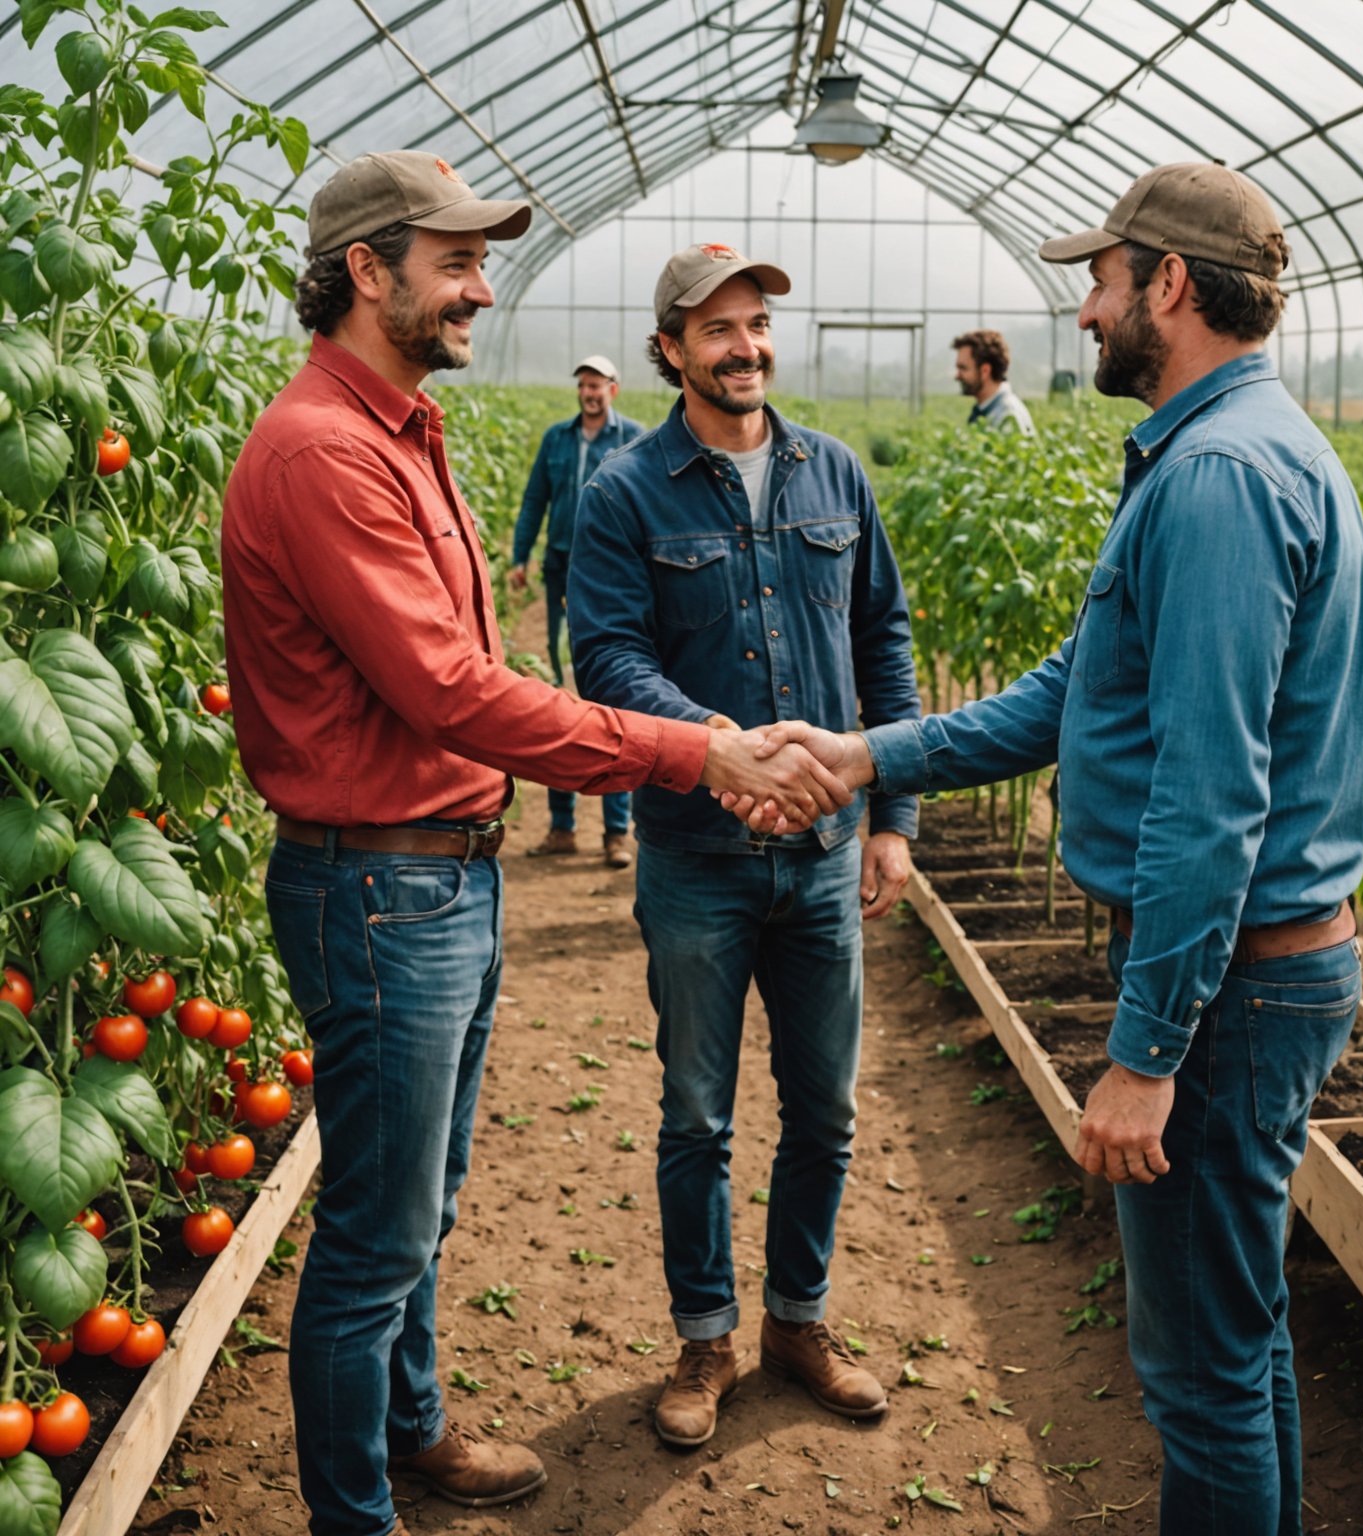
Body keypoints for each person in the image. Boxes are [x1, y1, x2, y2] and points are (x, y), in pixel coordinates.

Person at [732, 164, 1363, 1536]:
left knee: (1200, 1374)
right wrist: (866, 754)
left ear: (1173, 286)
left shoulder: (1217, 479)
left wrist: (1145, 1058)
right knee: (1237, 1342)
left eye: (1102, 278)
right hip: (1264, 972)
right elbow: (1075, 690)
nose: (1083, 309)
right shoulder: (1229, 452)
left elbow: (1212, 804)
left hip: (1238, 986)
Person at [220, 159, 852, 1536]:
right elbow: (454, 690)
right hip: (381, 882)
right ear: (369, 272)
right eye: (457, 261)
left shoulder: (397, 428)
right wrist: (699, 752)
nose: (483, 284)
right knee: (374, 1241)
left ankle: (417, 1428)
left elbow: (466, 670)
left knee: (422, 1202)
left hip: (436, 870)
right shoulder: (329, 449)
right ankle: (357, 1513)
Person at [566, 243, 920, 1447]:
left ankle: (798, 1319)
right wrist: (720, 749)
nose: (744, 346)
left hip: (822, 853)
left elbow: (886, 645)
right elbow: (606, 657)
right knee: (697, 1115)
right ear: (670, 350)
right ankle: (706, 1339)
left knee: (824, 1108)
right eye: (715, 328)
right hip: (696, 854)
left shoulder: (836, 477)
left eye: (756, 322)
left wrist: (894, 821)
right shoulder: (624, 491)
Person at [511, 356, 644, 866]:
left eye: (597, 385)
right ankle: (562, 827)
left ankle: (616, 832)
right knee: (557, 696)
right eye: (584, 385)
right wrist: (521, 555)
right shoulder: (557, 440)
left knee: (610, 695)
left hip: (612, 574)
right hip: (560, 568)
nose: (590, 393)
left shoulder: (633, 438)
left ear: (614, 388)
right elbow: (533, 500)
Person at [953, 328, 1034, 434]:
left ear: (985, 371)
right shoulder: (985, 409)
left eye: (963, 368)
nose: (957, 376)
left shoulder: (1008, 416)